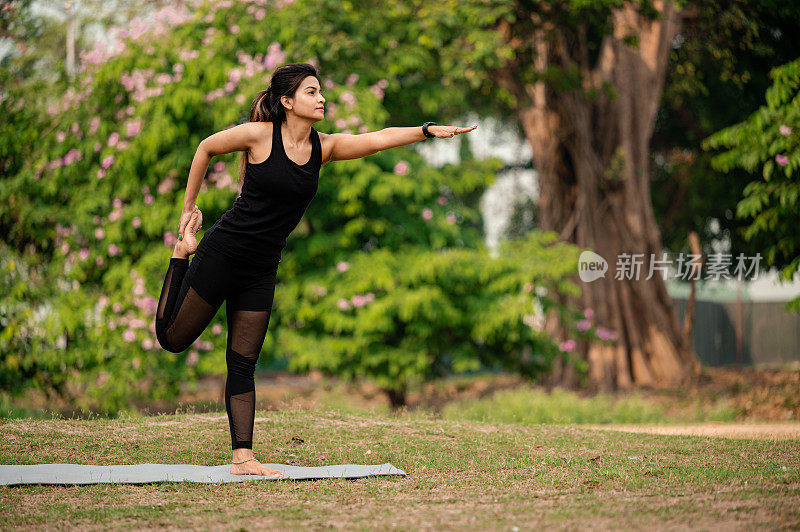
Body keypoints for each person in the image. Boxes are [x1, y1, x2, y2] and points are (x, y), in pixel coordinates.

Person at [153, 62, 477, 479]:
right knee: (174, 339)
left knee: (243, 361)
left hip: (261, 268)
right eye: (311, 92)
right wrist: (186, 210)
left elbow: (377, 139)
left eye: (320, 91)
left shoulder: (325, 147)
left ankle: (243, 459)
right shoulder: (258, 136)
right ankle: (180, 254)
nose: (321, 98)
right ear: (287, 102)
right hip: (222, 252)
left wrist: (427, 130)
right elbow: (205, 148)